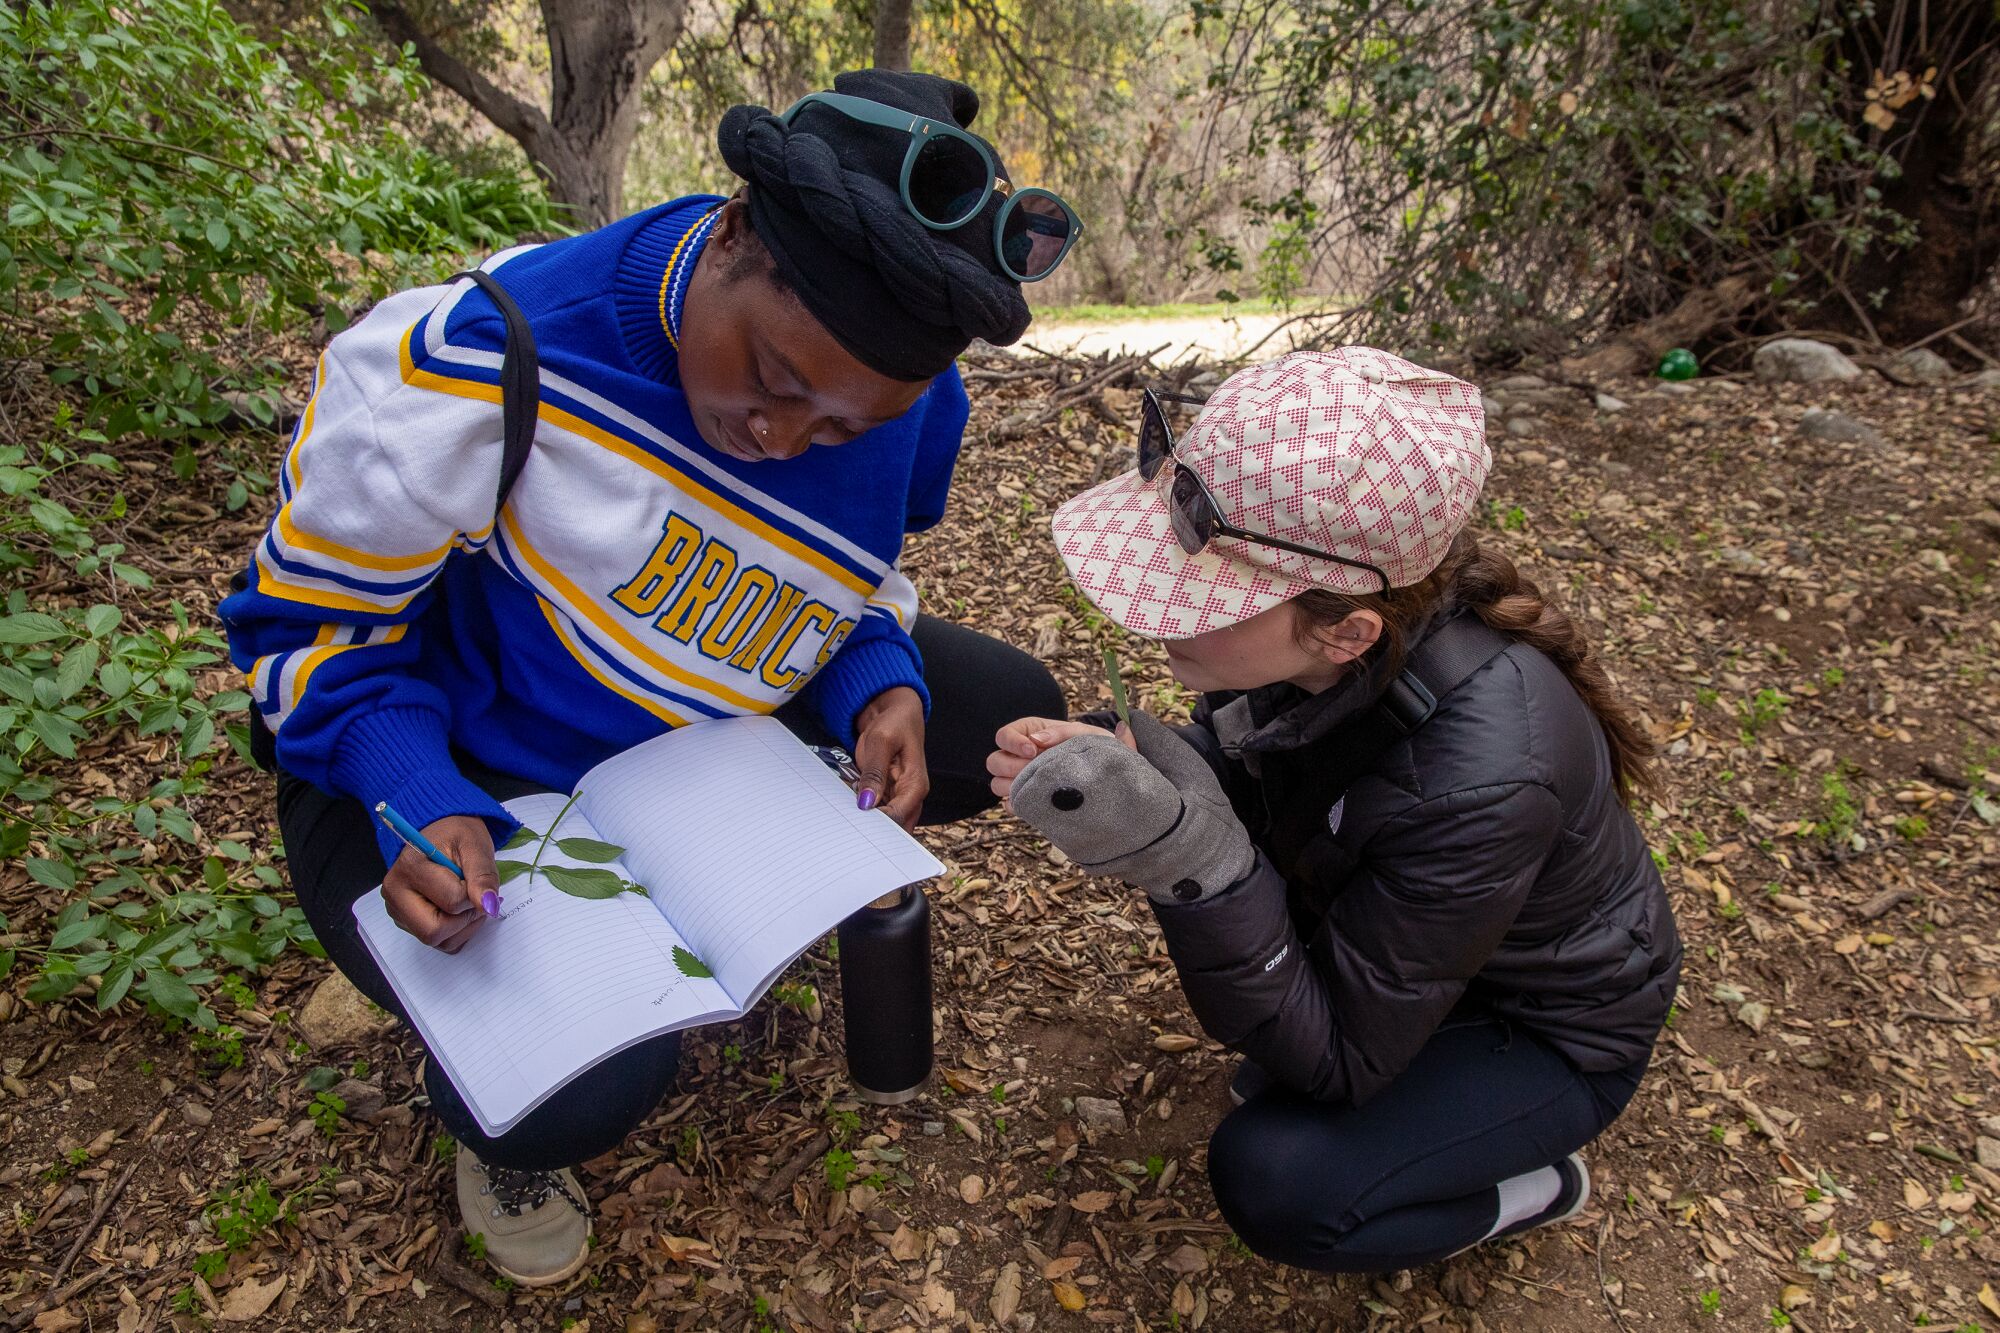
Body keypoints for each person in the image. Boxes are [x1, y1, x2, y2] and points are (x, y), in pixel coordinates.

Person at [219, 69, 1076, 1286]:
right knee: (591, 1084)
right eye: (773, 381)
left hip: (680, 733)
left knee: (983, 706)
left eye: (840, 429)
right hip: (448, 763)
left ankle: (722, 856)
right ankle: (500, 1120)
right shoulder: (479, 361)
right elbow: (301, 635)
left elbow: (846, 578)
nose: (783, 439)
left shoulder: (911, 404)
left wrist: (875, 673)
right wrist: (414, 791)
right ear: (730, 234)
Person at [987, 348, 1680, 1273]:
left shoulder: (1489, 775)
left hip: (1548, 1027)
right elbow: (1271, 783)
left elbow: (1343, 1057)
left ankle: (1542, 1183)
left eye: (1201, 596)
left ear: (1347, 628)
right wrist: (1140, 761)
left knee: (1281, 1180)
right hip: (1416, 955)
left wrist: (1185, 856)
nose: (1156, 616)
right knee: (1271, 1073)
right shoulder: (1333, 646)